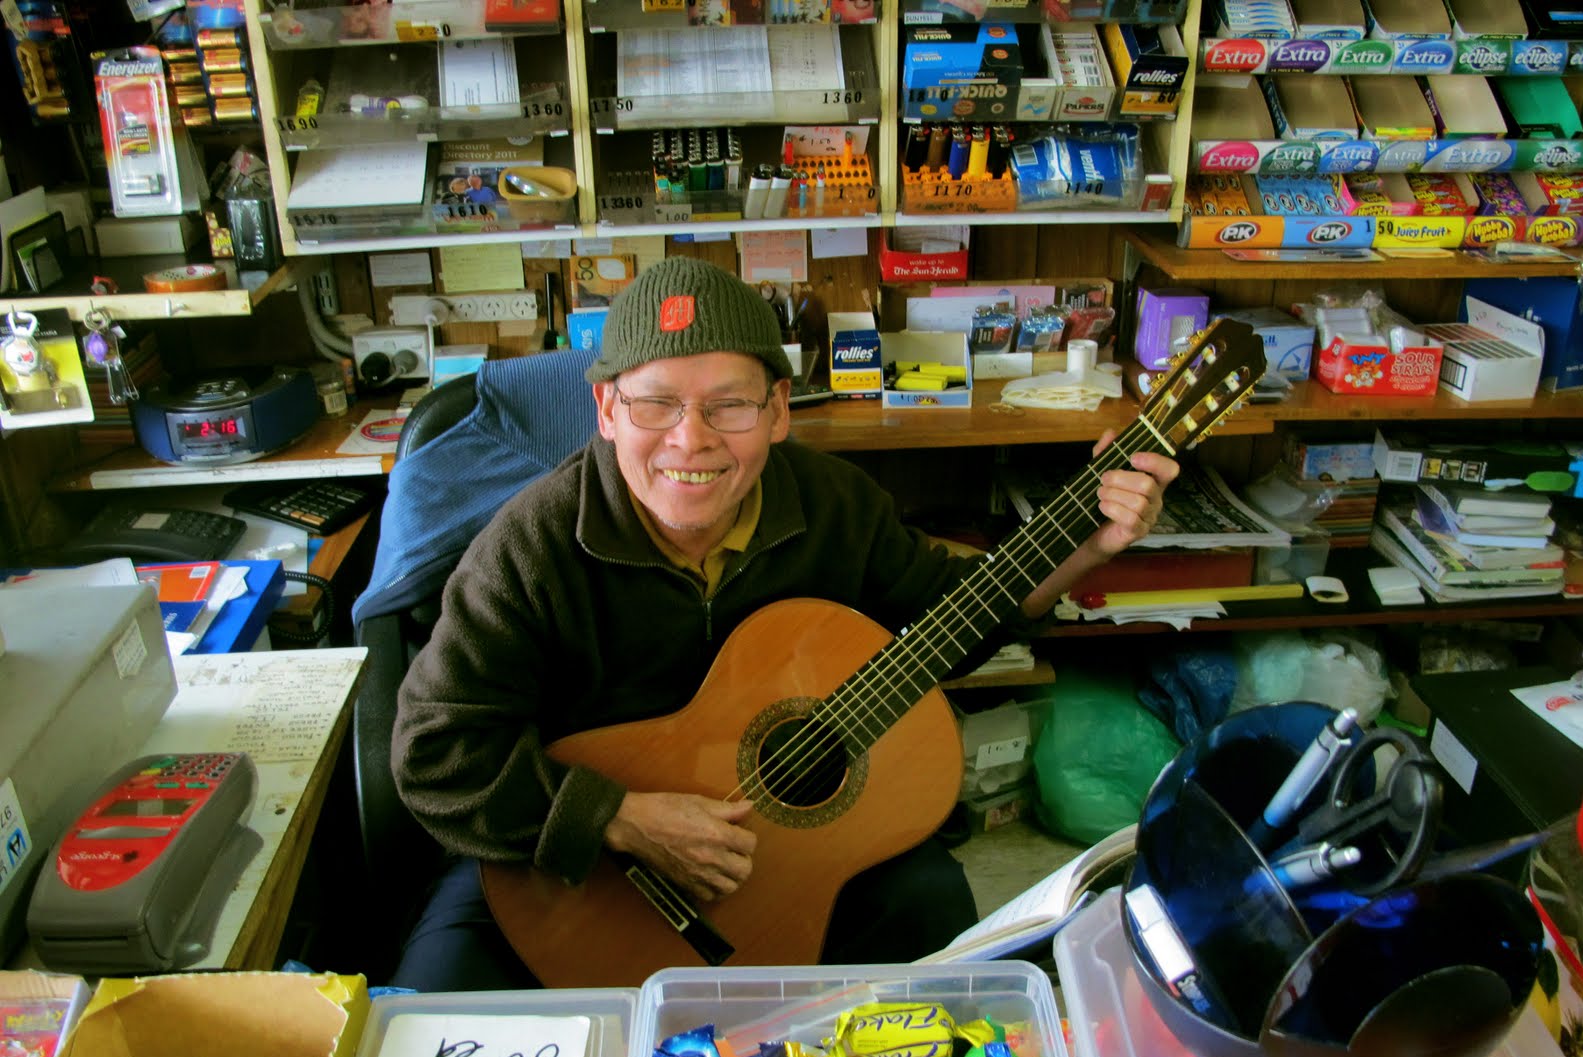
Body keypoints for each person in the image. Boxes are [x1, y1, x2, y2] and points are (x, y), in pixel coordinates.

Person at [389, 256, 1179, 991]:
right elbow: (434, 755)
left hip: (778, 852)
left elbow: (949, 617)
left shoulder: (834, 503)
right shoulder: (529, 547)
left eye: (729, 404)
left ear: (776, 411)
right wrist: (621, 818)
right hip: (570, 868)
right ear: (606, 410)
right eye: (657, 403)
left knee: (936, 928)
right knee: (432, 1010)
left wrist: (1087, 547)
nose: (691, 438)